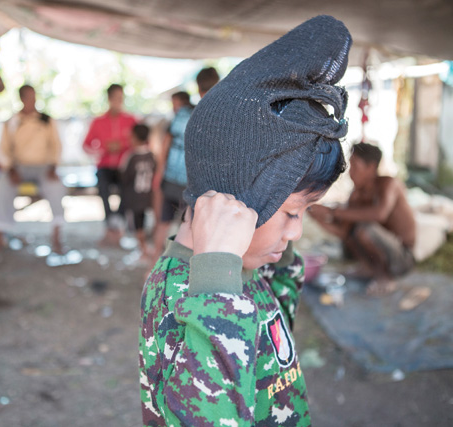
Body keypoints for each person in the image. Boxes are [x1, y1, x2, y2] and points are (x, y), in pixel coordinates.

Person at [139, 15, 352, 426]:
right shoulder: (176, 292)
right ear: (238, 200)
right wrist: (216, 281)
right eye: (291, 211)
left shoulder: (250, 261)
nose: (297, 231)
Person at [309, 142, 416, 295]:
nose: (351, 173)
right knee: (354, 231)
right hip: (383, 254)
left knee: (364, 230)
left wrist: (333, 212)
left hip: (402, 258)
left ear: (371, 168)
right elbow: (344, 232)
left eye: (355, 167)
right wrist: (317, 216)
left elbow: (380, 213)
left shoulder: (389, 184)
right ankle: (368, 268)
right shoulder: (356, 194)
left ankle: (384, 277)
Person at [0, 84, 66, 253]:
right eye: (29, 97)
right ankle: (0, 236)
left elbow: (56, 145)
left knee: (56, 187)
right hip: (18, 167)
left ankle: (56, 237)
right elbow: (3, 149)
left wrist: (54, 166)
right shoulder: (12, 121)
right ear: (22, 99)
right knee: (2, 186)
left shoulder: (46, 120)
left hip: (44, 167)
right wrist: (10, 169)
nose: (32, 101)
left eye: (34, 97)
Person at [83, 84, 137, 245]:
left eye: (121, 98)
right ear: (109, 99)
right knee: (103, 189)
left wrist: (123, 146)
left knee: (127, 190)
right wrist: (103, 148)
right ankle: (109, 226)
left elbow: (140, 142)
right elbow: (86, 145)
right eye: (115, 98)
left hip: (124, 166)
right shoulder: (98, 121)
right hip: (105, 166)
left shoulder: (131, 120)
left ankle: (118, 226)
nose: (118, 102)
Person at [152, 91, 194, 259]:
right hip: (188, 181)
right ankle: (180, 267)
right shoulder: (199, 114)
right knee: (188, 225)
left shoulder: (177, 118)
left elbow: (165, 145)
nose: (173, 107)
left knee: (163, 222)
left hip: (171, 179)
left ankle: (152, 266)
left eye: (174, 103)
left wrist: (159, 172)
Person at [119, 124, 156, 258]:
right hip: (148, 196)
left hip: (134, 197)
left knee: (137, 223)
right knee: (144, 220)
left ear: (134, 137)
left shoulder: (131, 156)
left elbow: (124, 177)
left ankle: (143, 250)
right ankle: (145, 248)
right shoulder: (152, 156)